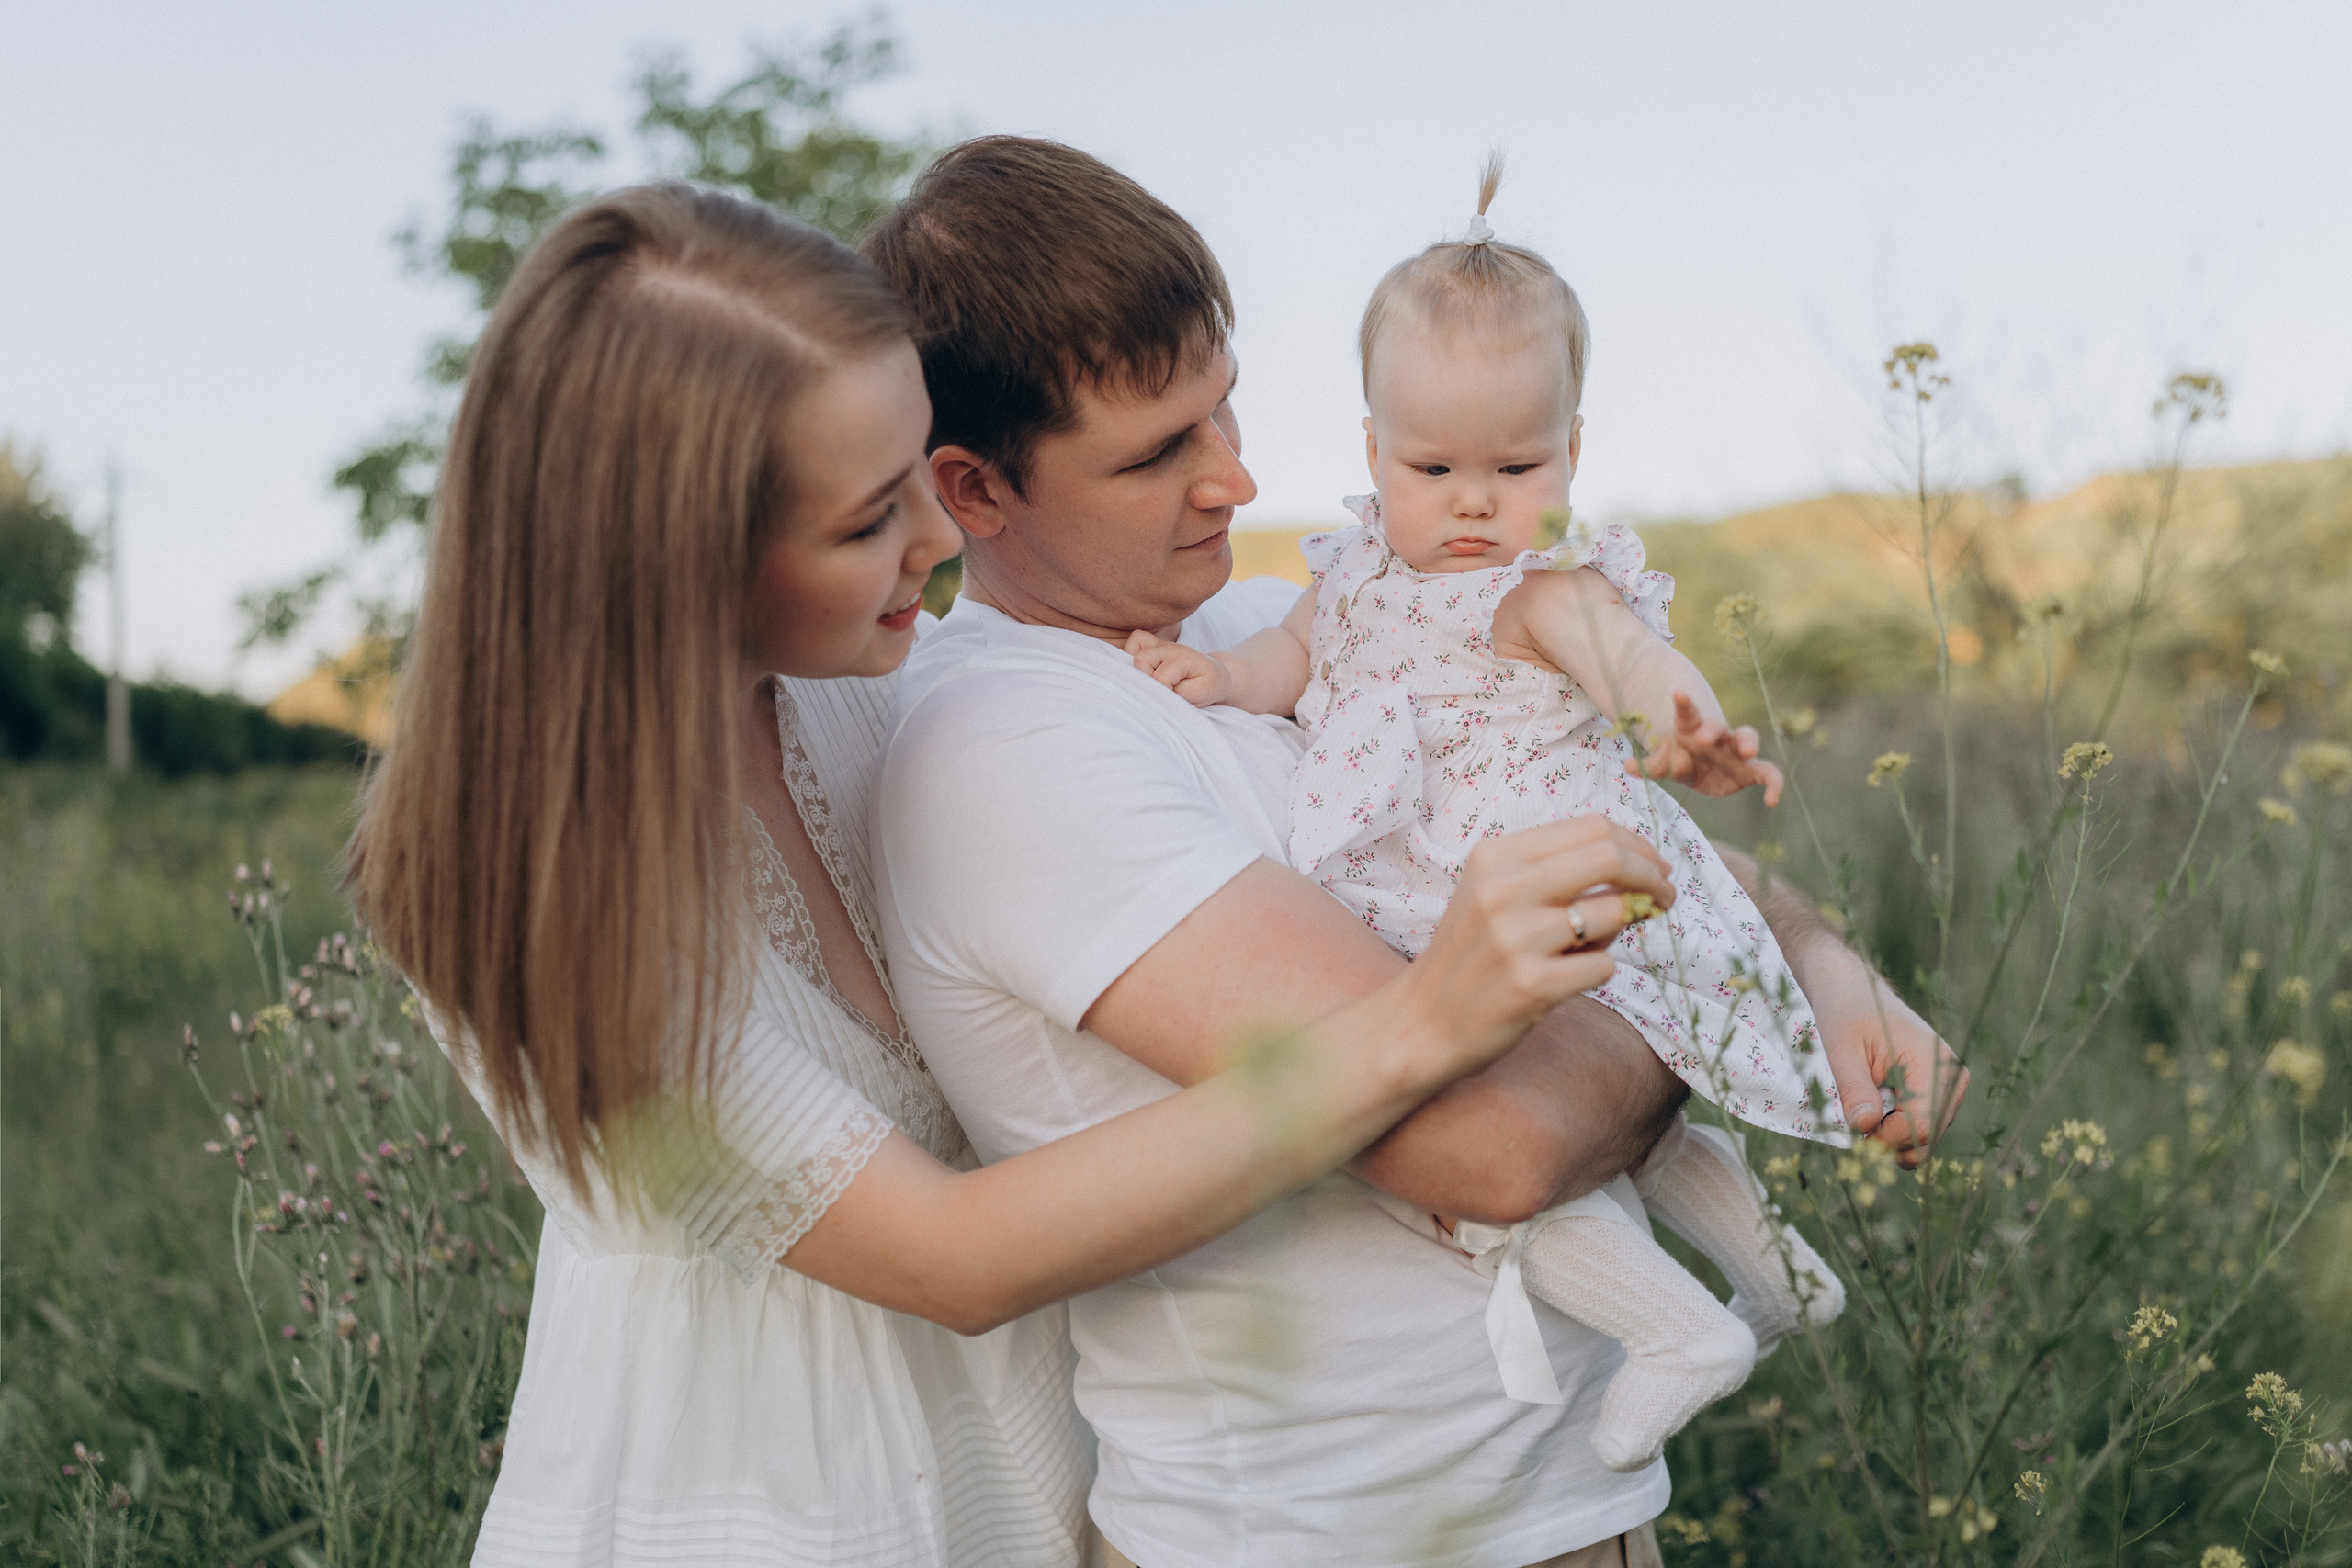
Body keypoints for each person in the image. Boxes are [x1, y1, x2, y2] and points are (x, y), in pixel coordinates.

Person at [348, 182, 1679, 1567]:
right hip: (770, 1504)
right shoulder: (530, 902)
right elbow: (948, 1258)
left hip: (1030, 1462)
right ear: (678, 560)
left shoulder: (867, 681)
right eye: (868, 521)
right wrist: (1416, 1029)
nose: (938, 545)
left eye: (921, 480)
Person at [867, 137, 1966, 1568]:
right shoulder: (1008, 751)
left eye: (1225, 407)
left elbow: (1578, 811)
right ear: (974, 490)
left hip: (1568, 1508)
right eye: (1155, 453)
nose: (1235, 477)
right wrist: (1704, 993)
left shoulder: (1263, 630)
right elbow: (1495, 1146)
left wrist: (1817, 965)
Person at [1125, 155, 1850, 1473]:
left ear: (1573, 455)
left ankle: (1677, 1331)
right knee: (1631, 1118)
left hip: (1526, 889)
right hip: (1439, 897)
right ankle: (1785, 1278)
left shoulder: (1542, 588)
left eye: (1517, 465)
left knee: (1481, 1134)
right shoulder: (1353, 571)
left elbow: (1634, 662)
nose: (1474, 500)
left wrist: (1684, 728)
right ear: (1372, 453)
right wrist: (1218, 680)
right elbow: (1292, 660)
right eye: (1434, 465)